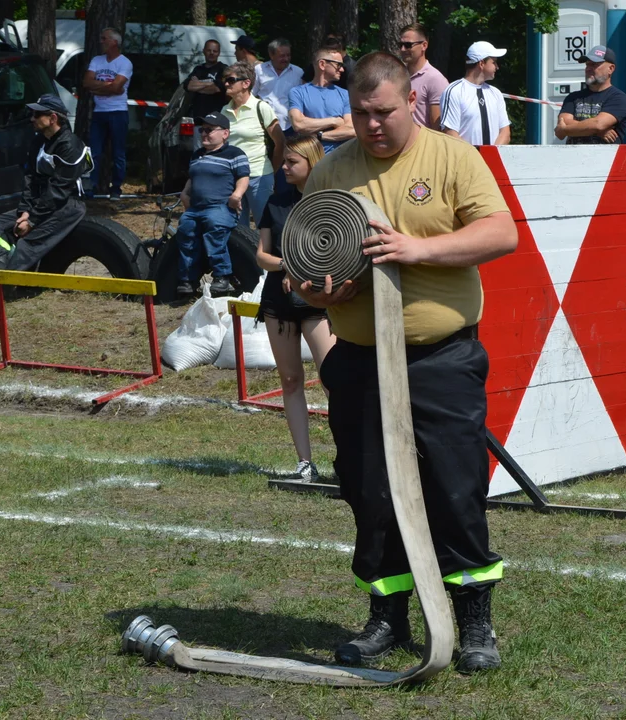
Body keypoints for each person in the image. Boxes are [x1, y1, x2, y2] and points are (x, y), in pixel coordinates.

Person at [294, 51, 516, 673]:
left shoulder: (451, 157)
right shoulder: (331, 172)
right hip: (359, 359)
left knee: (455, 484)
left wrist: (416, 249)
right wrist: (321, 290)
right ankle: (386, 617)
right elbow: (310, 268)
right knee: (369, 490)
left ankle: (474, 621)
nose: (371, 125)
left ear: (411, 103)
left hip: (440, 359)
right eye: (360, 113)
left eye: (383, 112)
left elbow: (501, 235)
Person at [0, 95, 91, 306]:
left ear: (53, 117)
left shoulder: (70, 145)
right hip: (39, 205)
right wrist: (24, 212)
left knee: (28, 242)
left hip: (68, 205)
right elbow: (30, 180)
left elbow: (59, 190)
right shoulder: (39, 141)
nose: (32, 118)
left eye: (37, 114)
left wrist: (32, 221)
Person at [254, 135, 334, 482]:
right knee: (289, 380)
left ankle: (350, 458)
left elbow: (337, 253)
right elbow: (261, 255)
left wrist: (301, 270)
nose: (284, 167)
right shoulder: (276, 201)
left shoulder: (329, 202)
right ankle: (305, 463)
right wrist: (287, 265)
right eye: (284, 161)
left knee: (334, 381)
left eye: (291, 162)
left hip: (319, 302)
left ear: (311, 163)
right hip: (279, 302)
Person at [173, 112, 249, 296]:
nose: (204, 133)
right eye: (202, 129)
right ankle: (188, 280)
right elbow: (193, 177)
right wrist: (184, 193)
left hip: (220, 207)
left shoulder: (234, 154)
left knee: (214, 229)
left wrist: (237, 195)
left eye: (210, 130)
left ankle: (222, 277)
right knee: (185, 230)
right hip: (195, 208)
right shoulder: (197, 155)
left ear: (225, 133)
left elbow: (244, 177)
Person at [221, 61, 285, 228]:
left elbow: (280, 142)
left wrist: (272, 169)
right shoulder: (224, 111)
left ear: (246, 83)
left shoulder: (261, 107)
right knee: (237, 229)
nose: (226, 83)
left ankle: (267, 255)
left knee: (264, 227)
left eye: (230, 79)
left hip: (259, 176)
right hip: (233, 178)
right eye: (224, 79)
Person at [82, 27, 133, 201]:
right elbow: (87, 83)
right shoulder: (97, 60)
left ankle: (116, 188)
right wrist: (107, 87)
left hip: (118, 112)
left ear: (114, 42)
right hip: (99, 113)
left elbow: (118, 87)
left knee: (118, 153)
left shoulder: (124, 63)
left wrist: (99, 88)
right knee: (94, 152)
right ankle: (91, 187)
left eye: (104, 39)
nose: (101, 41)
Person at [554, 44, 626, 144]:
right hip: (573, 158)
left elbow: (598, 124)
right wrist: (598, 132)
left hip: (606, 158)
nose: (588, 68)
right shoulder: (573, 97)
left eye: (594, 64)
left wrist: (566, 130)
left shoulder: (618, 98)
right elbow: (565, 122)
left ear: (610, 69)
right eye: (587, 64)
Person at [440, 41, 511, 146]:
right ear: (481, 63)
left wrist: (492, 155)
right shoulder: (454, 91)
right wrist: (475, 158)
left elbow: (505, 132)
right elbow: (449, 133)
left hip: (493, 161)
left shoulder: (496, 93)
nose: (497, 67)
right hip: (465, 161)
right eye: (494, 62)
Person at [288, 47, 354, 153]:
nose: (342, 69)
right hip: (311, 160)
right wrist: (334, 121)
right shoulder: (297, 92)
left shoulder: (345, 94)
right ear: (322, 64)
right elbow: (298, 124)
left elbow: (351, 129)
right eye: (339, 65)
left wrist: (320, 136)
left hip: (339, 159)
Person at [398, 23, 448, 130]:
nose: (402, 49)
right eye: (400, 45)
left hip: (424, 144)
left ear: (424, 46)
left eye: (408, 45)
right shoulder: (398, 75)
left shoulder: (435, 79)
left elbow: (437, 129)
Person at [253, 38, 304, 134]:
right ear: (271, 55)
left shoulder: (298, 72)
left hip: (289, 125)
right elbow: (251, 95)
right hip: (263, 124)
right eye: (282, 56)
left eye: (288, 55)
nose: (286, 59)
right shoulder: (259, 70)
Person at [184, 40, 227, 120]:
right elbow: (188, 86)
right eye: (209, 50)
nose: (211, 53)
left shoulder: (223, 69)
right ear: (204, 51)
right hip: (197, 118)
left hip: (216, 118)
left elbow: (216, 88)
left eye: (215, 51)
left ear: (219, 53)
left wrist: (198, 84)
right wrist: (210, 83)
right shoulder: (198, 69)